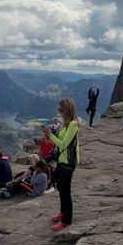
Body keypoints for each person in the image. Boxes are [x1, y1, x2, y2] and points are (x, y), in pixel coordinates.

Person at [41, 98, 82, 230]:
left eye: (60, 110)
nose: (59, 112)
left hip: (68, 162)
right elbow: (60, 139)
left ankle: (67, 220)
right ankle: (63, 212)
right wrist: (50, 133)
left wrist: (50, 135)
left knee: (65, 192)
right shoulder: (66, 123)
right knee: (61, 189)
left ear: (67, 110)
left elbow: (64, 144)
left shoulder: (73, 124)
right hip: (62, 160)